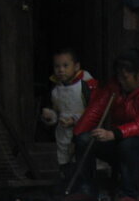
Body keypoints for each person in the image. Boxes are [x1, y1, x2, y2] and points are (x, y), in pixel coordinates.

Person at [65, 47, 139, 201]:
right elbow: (95, 110)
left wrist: (113, 134)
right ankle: (86, 190)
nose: (121, 80)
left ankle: (128, 194)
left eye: (125, 77)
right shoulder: (115, 86)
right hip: (120, 142)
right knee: (85, 140)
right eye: (118, 76)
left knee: (129, 144)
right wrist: (77, 136)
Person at [39, 47, 96, 184]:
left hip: (83, 130)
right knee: (64, 159)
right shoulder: (55, 88)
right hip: (63, 131)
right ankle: (68, 187)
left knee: (81, 158)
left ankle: (83, 187)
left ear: (76, 66)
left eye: (65, 66)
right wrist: (50, 116)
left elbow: (94, 110)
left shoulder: (85, 85)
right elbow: (55, 111)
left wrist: (75, 120)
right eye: (57, 66)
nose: (61, 70)